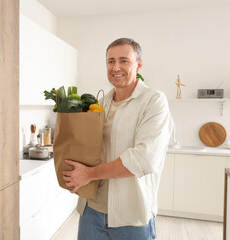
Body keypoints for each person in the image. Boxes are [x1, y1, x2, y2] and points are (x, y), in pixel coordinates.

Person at [62, 38, 173, 240]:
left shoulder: (154, 101)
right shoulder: (100, 103)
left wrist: (89, 174)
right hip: (91, 213)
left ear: (138, 64)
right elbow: (89, 150)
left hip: (131, 218)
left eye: (124, 60)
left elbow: (143, 159)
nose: (116, 67)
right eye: (110, 61)